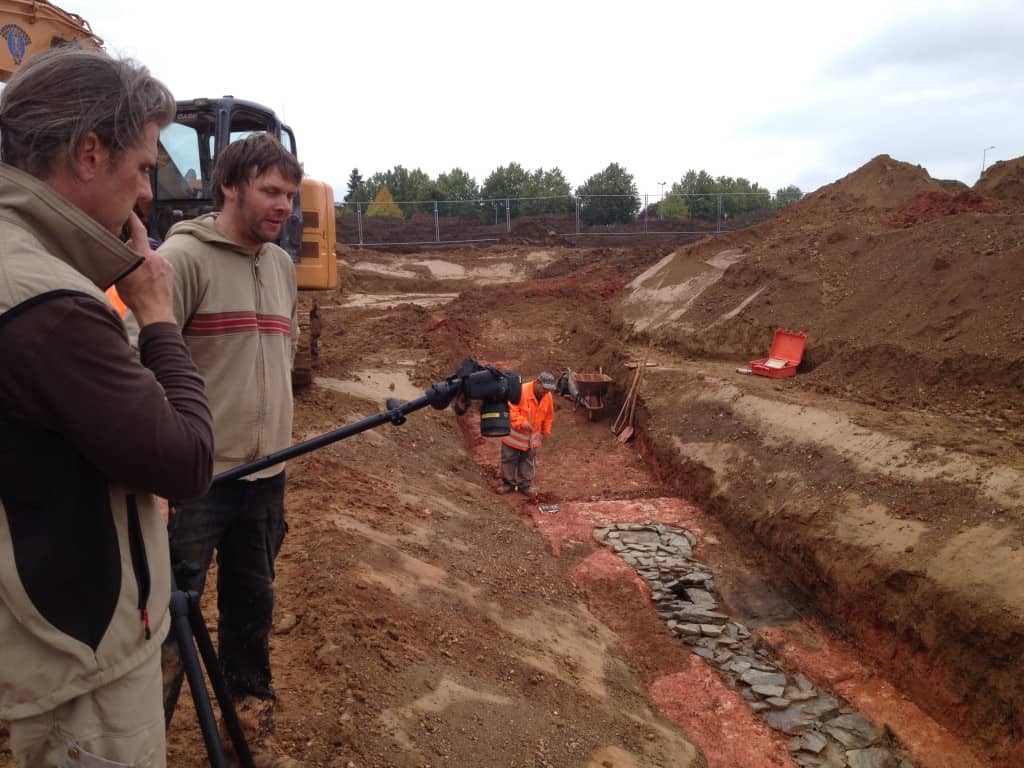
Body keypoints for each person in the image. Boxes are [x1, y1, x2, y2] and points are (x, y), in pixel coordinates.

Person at [0, 49, 214, 767]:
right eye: (145, 167)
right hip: (78, 656)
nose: (149, 194)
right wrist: (155, 314)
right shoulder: (49, 303)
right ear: (90, 153)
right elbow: (185, 459)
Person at [140, 133, 302, 752]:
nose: (285, 205)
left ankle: (248, 712)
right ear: (230, 187)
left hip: (267, 473)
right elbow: (144, 368)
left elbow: (279, 361)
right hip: (194, 481)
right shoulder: (183, 261)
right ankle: (145, 734)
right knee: (169, 611)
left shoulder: (282, 266)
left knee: (253, 602)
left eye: (289, 193)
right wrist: (156, 476)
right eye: (270, 191)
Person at [498, 371, 557, 495]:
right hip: (514, 436)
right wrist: (521, 422)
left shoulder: (548, 396)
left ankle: (524, 486)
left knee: (528, 461)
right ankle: (508, 484)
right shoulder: (520, 390)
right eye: (545, 388)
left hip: (531, 438)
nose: (546, 392)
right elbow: (510, 409)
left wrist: (546, 431)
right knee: (509, 459)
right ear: (537, 383)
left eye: (549, 390)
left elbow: (548, 416)